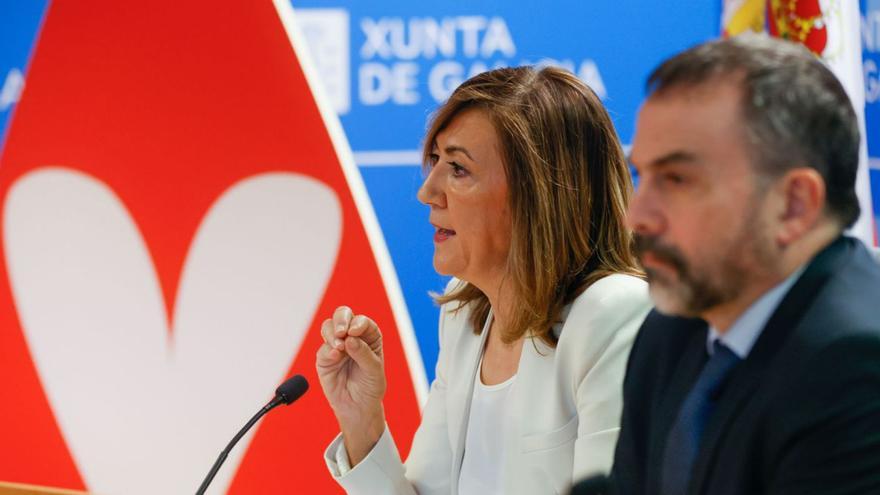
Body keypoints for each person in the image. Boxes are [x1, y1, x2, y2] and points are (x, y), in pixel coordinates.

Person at [315, 66, 652, 495]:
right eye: (435, 160)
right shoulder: (466, 316)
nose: (428, 191)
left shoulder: (616, 314)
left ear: (539, 195)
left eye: (457, 168)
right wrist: (361, 418)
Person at [609, 35, 880, 495]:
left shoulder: (857, 364)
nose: (637, 215)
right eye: (642, 175)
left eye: (676, 179)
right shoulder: (669, 331)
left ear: (793, 205)